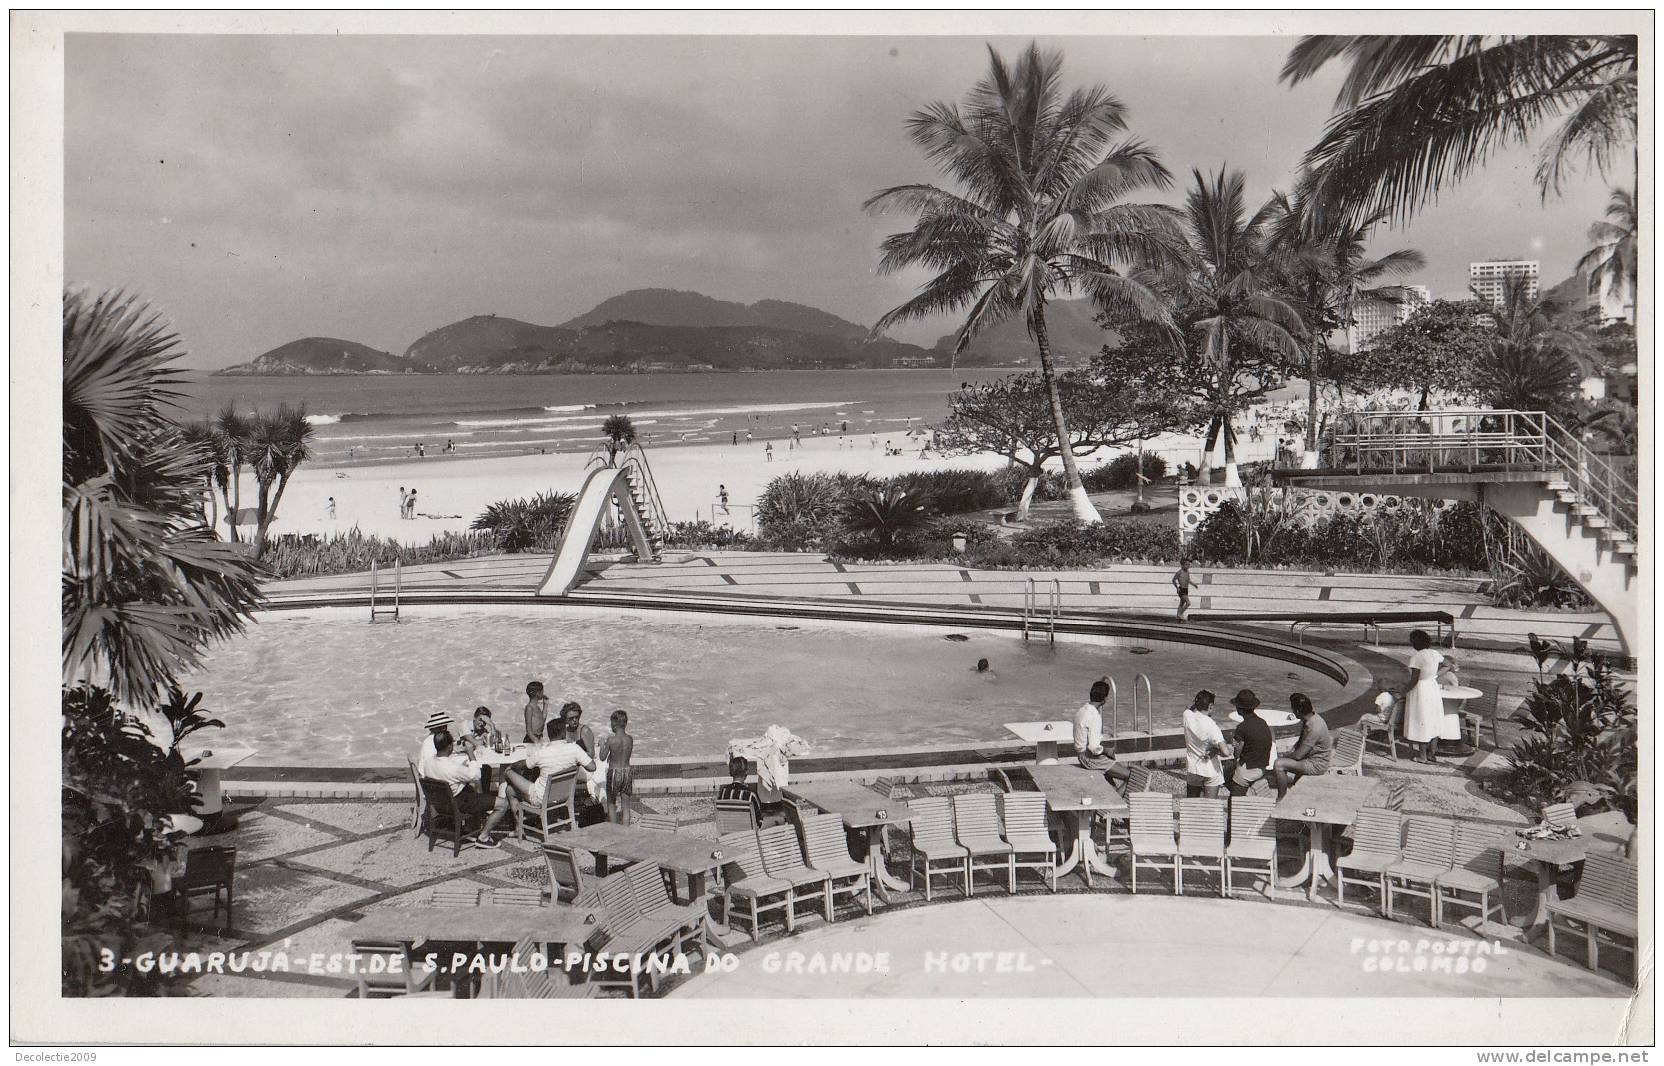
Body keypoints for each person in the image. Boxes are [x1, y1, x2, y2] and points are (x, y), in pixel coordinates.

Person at [423, 732, 510, 848]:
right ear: (449, 747)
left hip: (441, 804)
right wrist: (470, 754)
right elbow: (476, 775)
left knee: (470, 788)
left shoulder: (428, 762)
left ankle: (470, 827)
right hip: (458, 803)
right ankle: (483, 838)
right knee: (503, 804)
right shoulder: (452, 768)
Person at [505, 718, 597, 810]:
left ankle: (517, 821)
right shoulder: (575, 749)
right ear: (564, 733)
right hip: (565, 796)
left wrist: (511, 765)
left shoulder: (542, 752)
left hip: (541, 799)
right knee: (510, 789)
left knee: (508, 774)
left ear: (549, 735)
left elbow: (522, 765)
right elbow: (592, 767)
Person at [1272, 693, 1333, 798]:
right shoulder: (1312, 717)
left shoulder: (1314, 727)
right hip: (1312, 758)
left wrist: (1283, 756)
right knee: (1288, 756)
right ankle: (1292, 784)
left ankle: (1281, 798)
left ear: (1297, 711)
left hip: (1316, 765)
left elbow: (1298, 756)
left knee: (1278, 764)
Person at [1401, 629, 1448, 764]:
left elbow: (1414, 679)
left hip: (1421, 690)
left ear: (1415, 643)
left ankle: (1422, 756)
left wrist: (1403, 691)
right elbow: (1448, 665)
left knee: (1422, 720)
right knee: (1433, 719)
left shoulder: (1416, 657)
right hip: (1432, 687)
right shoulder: (1435, 653)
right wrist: (1435, 675)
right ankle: (1432, 754)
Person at [1073, 678, 1131, 784]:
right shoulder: (1094, 716)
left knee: (1111, 774)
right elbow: (1093, 748)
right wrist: (1107, 751)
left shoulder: (1081, 711)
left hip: (1081, 757)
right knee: (1131, 777)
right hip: (1091, 759)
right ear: (1105, 699)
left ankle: (1113, 791)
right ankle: (1116, 800)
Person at [1181, 690, 1228, 797]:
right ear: (1210, 706)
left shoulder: (1187, 716)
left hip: (1193, 768)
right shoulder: (1212, 726)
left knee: (1192, 804)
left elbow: (1190, 707)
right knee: (1210, 807)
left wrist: (1200, 699)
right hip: (1210, 769)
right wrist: (1216, 751)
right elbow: (1226, 752)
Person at [1228, 689, 1275, 796]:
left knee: (1234, 800)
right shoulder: (1262, 722)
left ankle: (1236, 803)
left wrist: (1235, 745)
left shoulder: (1242, 728)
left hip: (1248, 770)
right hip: (1262, 766)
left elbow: (1236, 754)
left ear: (1239, 709)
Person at [599, 709, 634, 824]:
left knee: (611, 804)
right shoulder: (630, 739)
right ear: (625, 723)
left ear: (613, 724)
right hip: (627, 772)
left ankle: (614, 832)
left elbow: (602, 757)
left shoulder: (611, 740)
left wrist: (602, 745)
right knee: (626, 807)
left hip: (614, 772)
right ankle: (626, 832)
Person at [716, 755, 762, 824]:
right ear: (746, 772)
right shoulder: (750, 794)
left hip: (727, 831)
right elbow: (759, 818)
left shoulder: (723, 792)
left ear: (731, 773)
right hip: (748, 833)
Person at [416, 711, 454, 777]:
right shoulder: (432, 742)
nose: (444, 728)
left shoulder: (431, 739)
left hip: (429, 775)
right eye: (441, 727)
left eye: (445, 725)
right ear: (433, 728)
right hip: (431, 777)